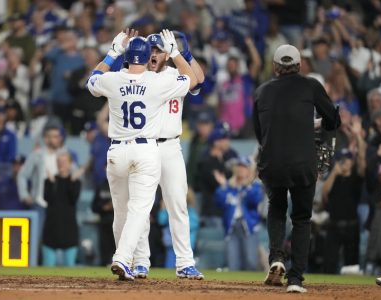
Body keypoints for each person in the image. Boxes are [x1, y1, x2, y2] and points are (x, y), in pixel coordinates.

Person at [86, 28, 197, 280]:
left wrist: (113, 52)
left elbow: (92, 79)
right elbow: (191, 79)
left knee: (122, 212)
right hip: (144, 149)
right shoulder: (157, 82)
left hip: (116, 150)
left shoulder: (114, 79)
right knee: (138, 210)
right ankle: (126, 259)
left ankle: (133, 260)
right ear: (147, 56)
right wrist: (177, 52)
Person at [252, 44, 340, 293]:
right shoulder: (311, 85)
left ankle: (276, 258)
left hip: (273, 163)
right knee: (302, 218)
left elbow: (260, 133)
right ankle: (295, 279)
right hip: (303, 162)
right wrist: (312, 125)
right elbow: (333, 119)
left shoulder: (261, 91)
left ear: (275, 67)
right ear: (299, 66)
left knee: (277, 208)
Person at [131, 31, 204, 279]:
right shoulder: (137, 77)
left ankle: (184, 263)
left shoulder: (176, 74)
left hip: (171, 147)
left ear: (165, 54)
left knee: (178, 205)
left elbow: (199, 80)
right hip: (145, 146)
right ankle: (141, 262)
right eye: (151, 50)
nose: (154, 54)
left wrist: (181, 52)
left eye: (158, 50)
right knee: (141, 208)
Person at [214, 156, 264, 271]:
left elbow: (255, 200)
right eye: (239, 166)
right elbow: (218, 202)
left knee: (251, 261)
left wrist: (247, 185)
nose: (241, 169)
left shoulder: (254, 185)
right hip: (231, 227)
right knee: (233, 263)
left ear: (249, 169)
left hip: (249, 227)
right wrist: (223, 186)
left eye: (244, 167)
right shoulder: (228, 186)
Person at [42, 151, 81, 266]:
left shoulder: (75, 182)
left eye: (64, 162)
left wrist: (71, 182)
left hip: (69, 231)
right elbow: (48, 198)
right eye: (59, 162)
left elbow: (73, 198)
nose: (61, 165)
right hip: (51, 230)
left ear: (70, 164)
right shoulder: (49, 181)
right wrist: (52, 183)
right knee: (47, 270)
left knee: (70, 268)